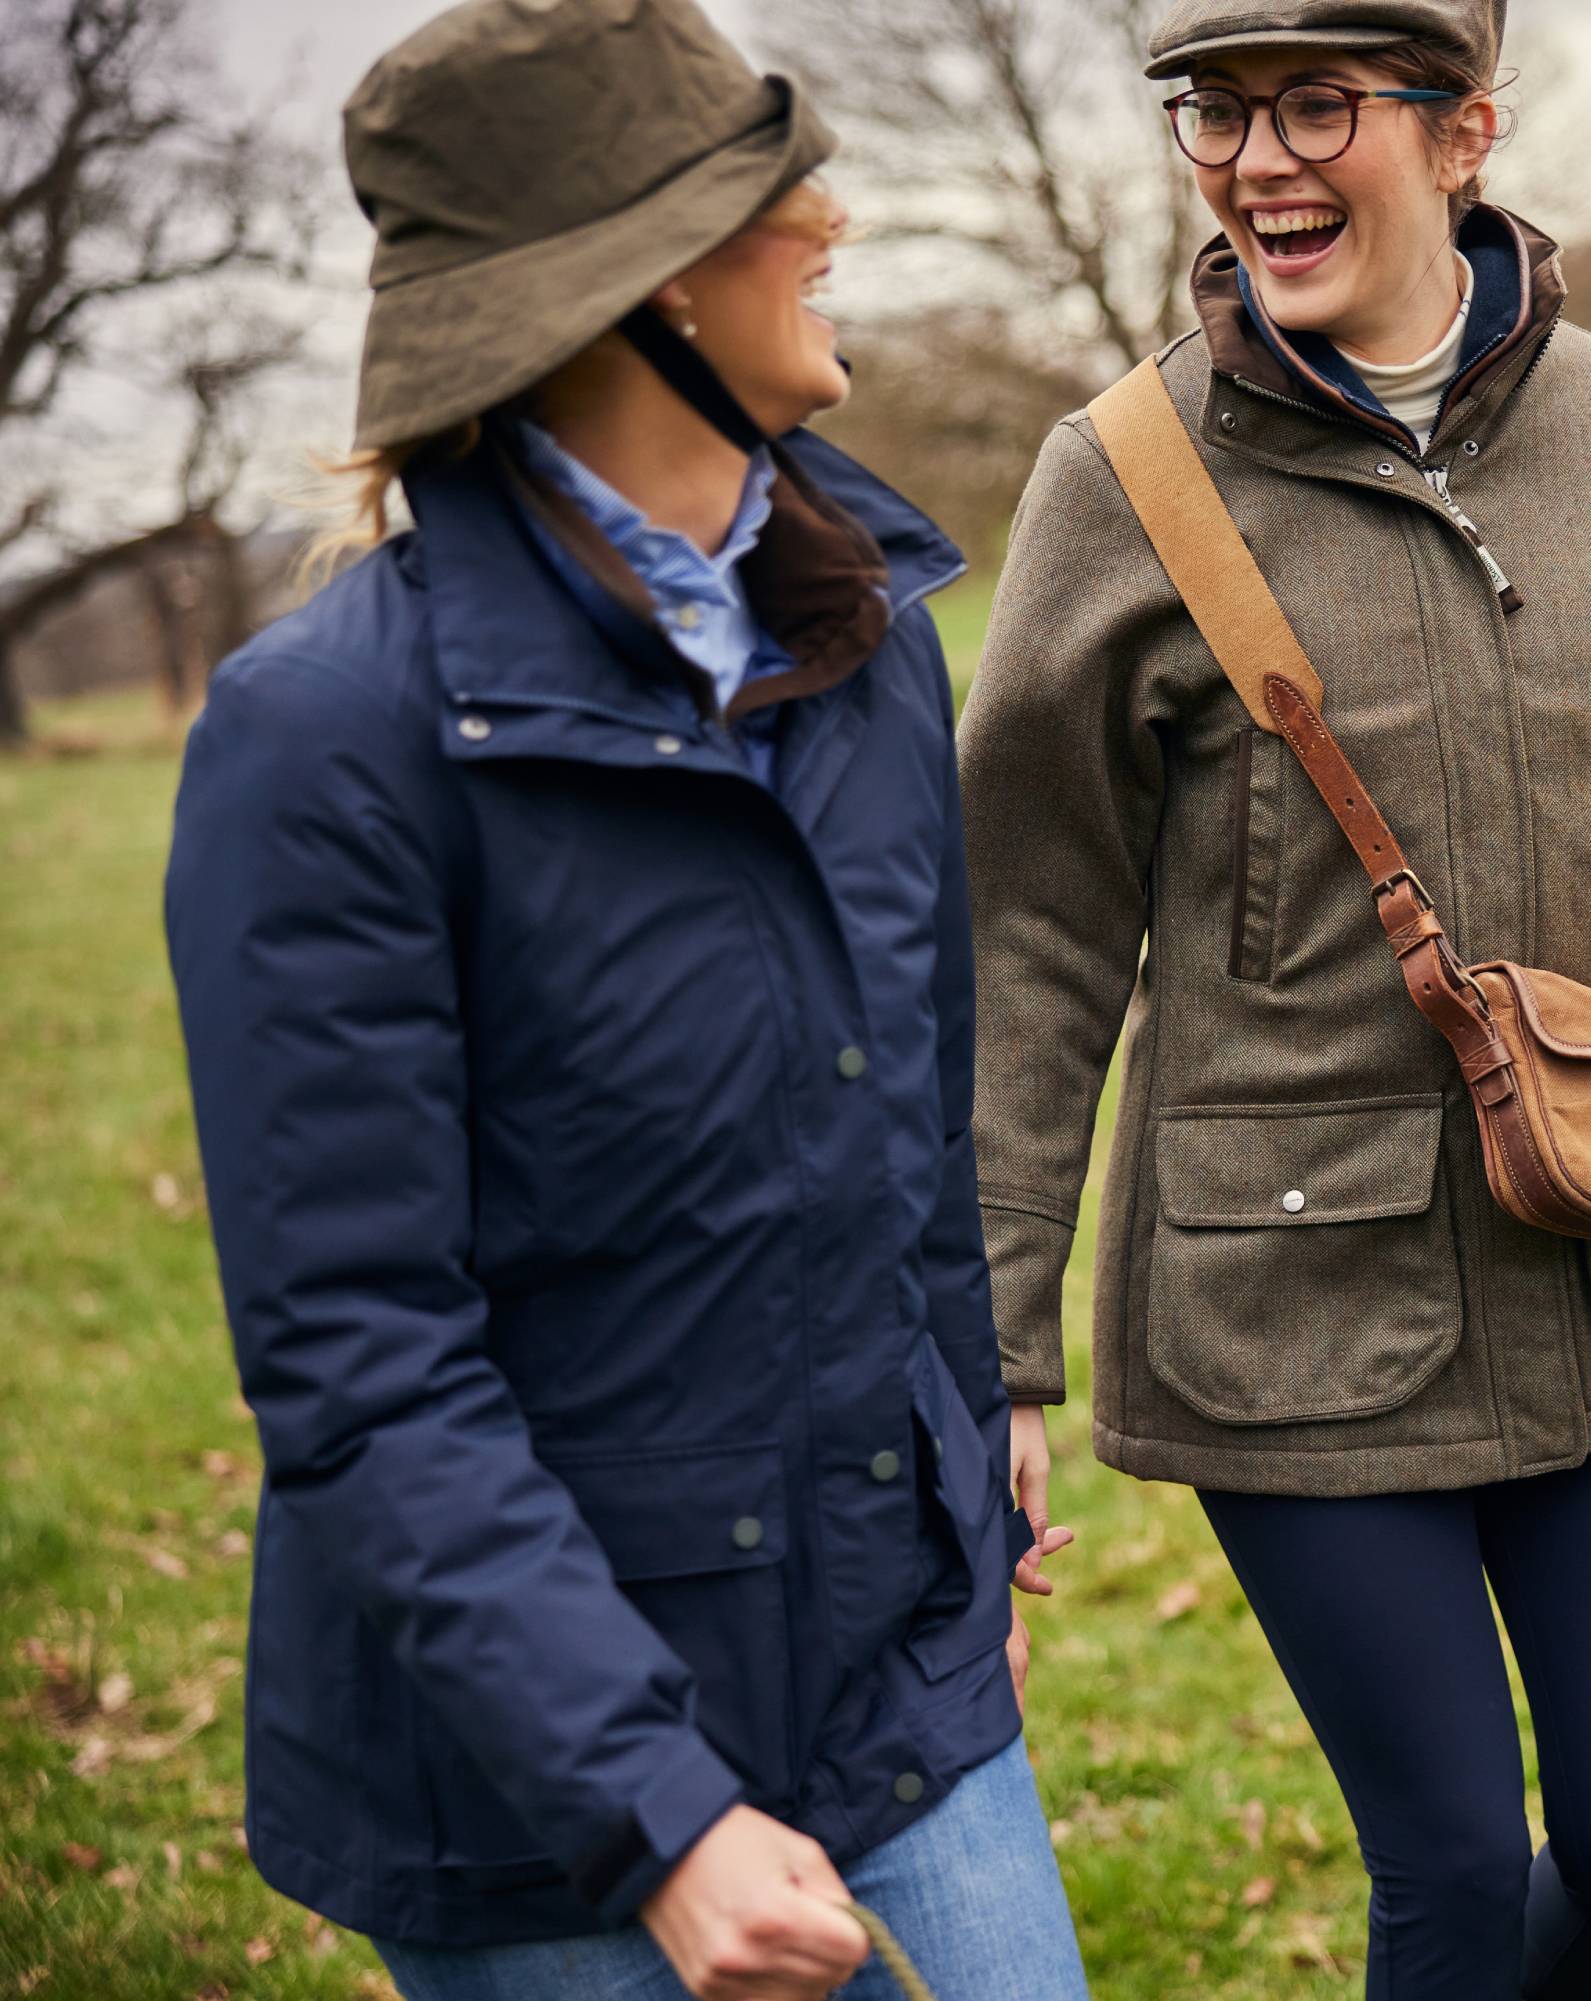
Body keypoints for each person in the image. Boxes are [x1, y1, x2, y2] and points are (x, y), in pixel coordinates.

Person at [161, 4, 1090, 1996]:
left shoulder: (865, 645)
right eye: (779, 193)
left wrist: (956, 1526)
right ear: (645, 283)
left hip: (896, 1680)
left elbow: (920, 1137)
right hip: (539, 1787)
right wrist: (654, 1811)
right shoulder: (325, 738)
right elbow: (361, 1357)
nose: (829, 216)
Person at [958, 2, 1591, 1993]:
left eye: (1315, 107)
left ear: (1464, 134)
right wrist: (995, 1337)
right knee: (1453, 1872)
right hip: (1288, 1304)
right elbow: (1026, 937)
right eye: (1220, 110)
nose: (1257, 158)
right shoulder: (1119, 475)